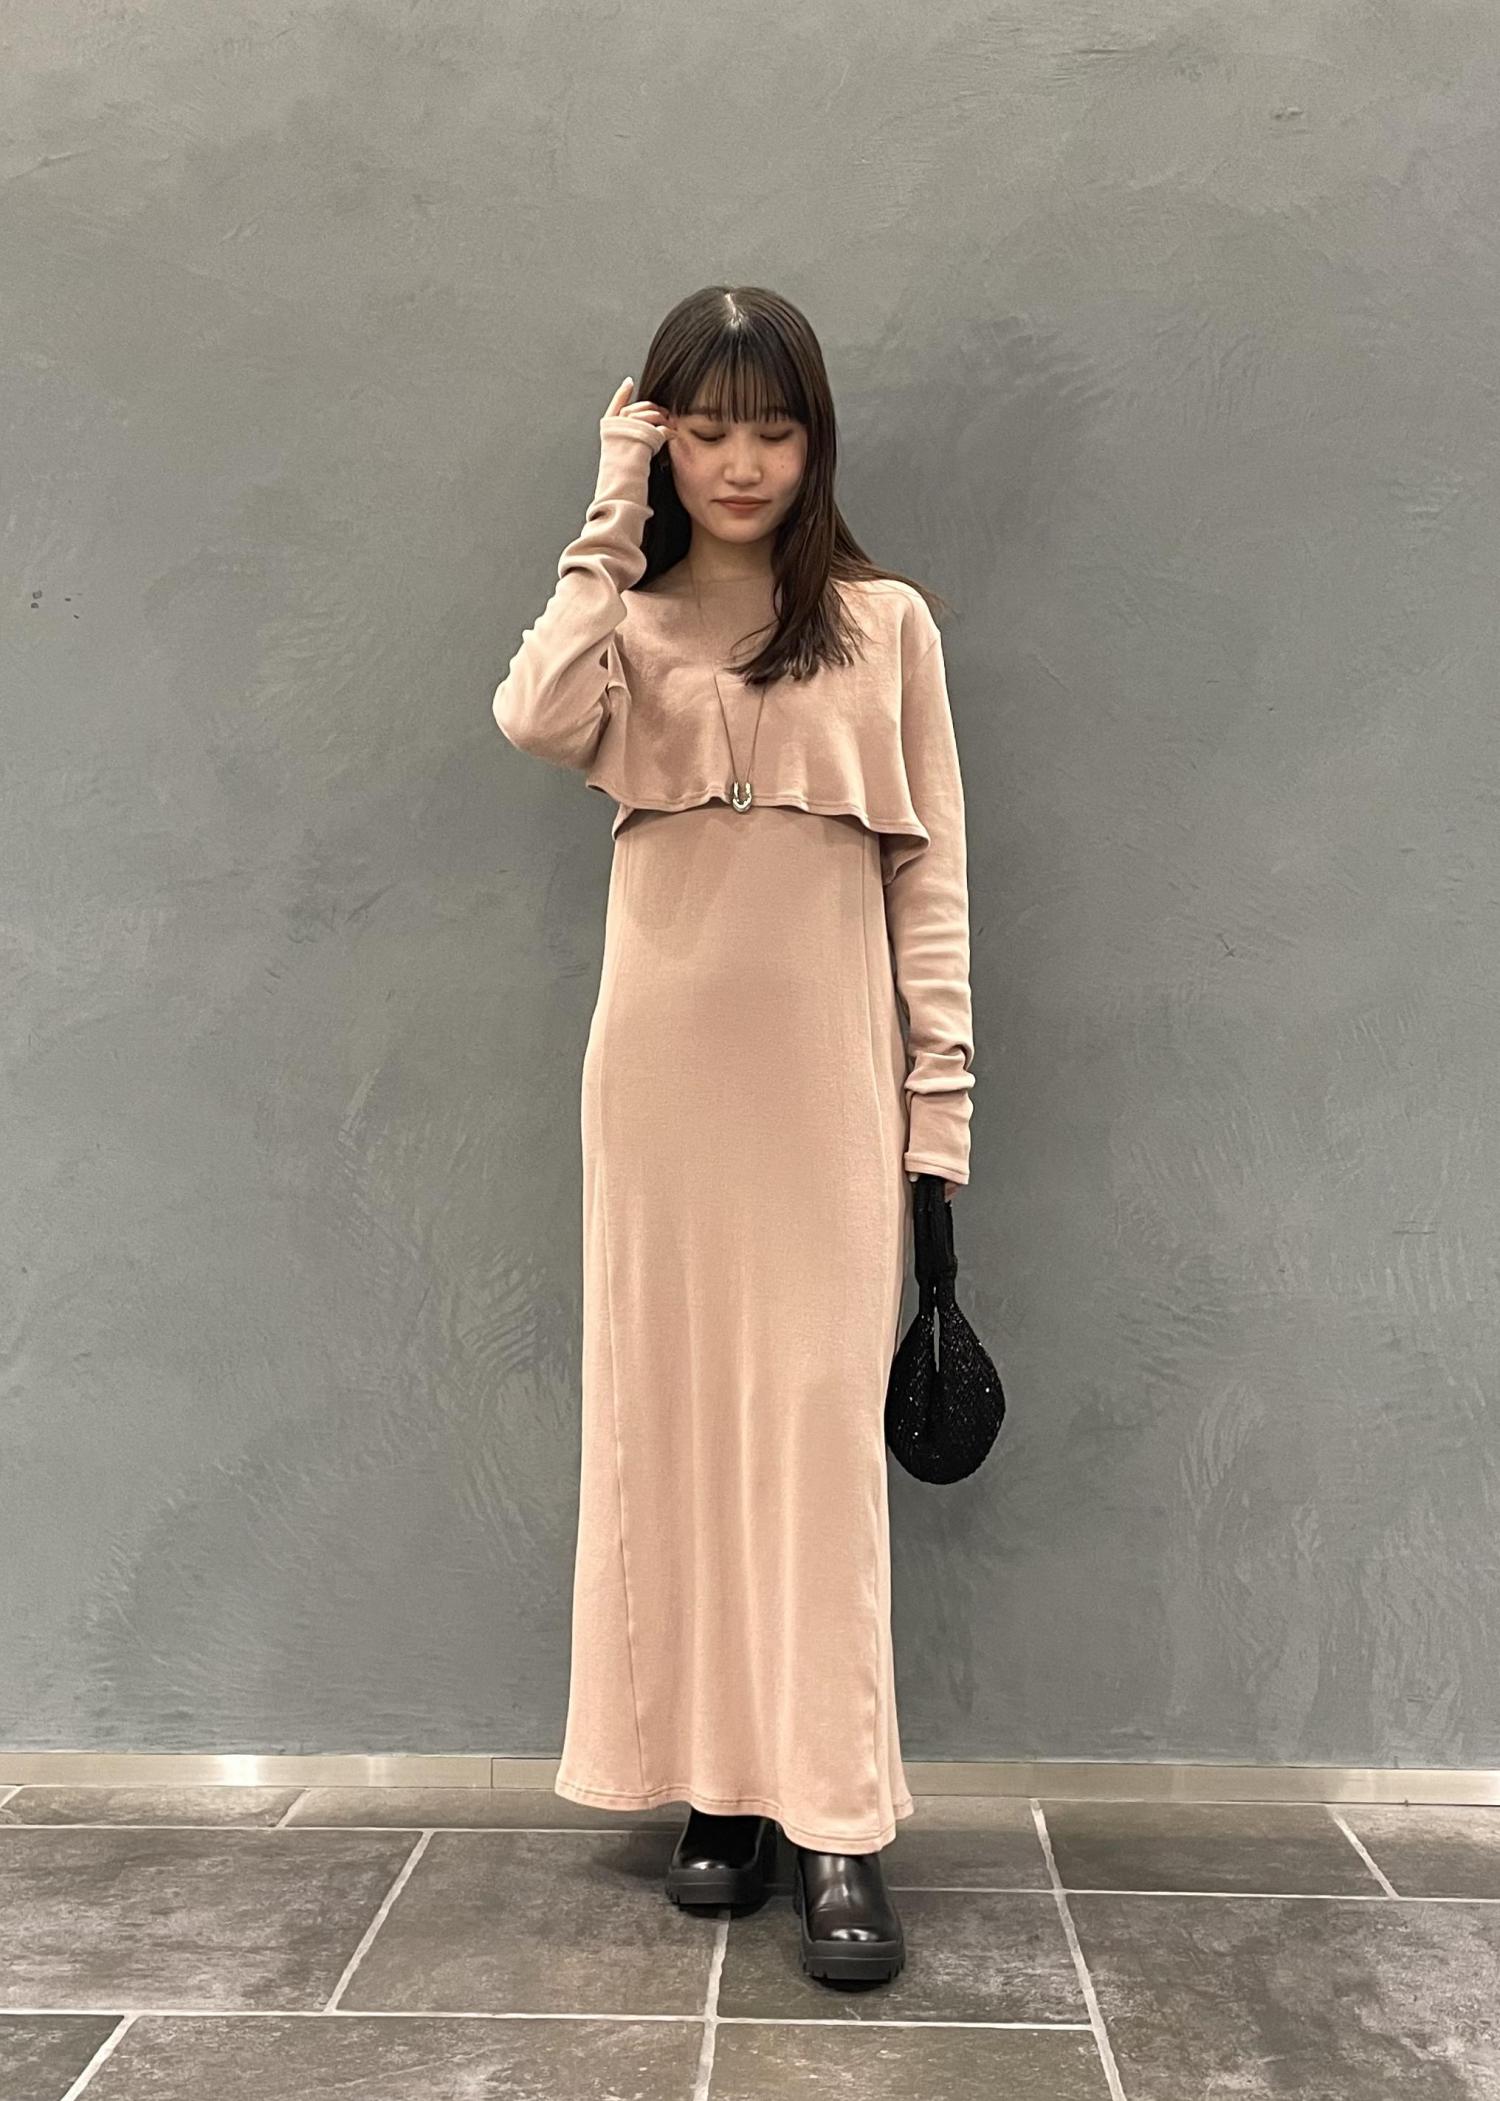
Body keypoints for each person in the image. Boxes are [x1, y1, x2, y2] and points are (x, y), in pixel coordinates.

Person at [491, 285, 975, 1988]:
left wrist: (938, 1112)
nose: (744, 462)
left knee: (813, 1443)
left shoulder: (885, 624)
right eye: (706, 430)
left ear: (816, 439)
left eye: (774, 428)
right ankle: (719, 1787)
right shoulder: (621, 627)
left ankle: (834, 1810)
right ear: (663, 438)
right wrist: (606, 512)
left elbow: (933, 881)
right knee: (675, 1428)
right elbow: (531, 716)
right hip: (657, 1094)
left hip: (825, 1095)